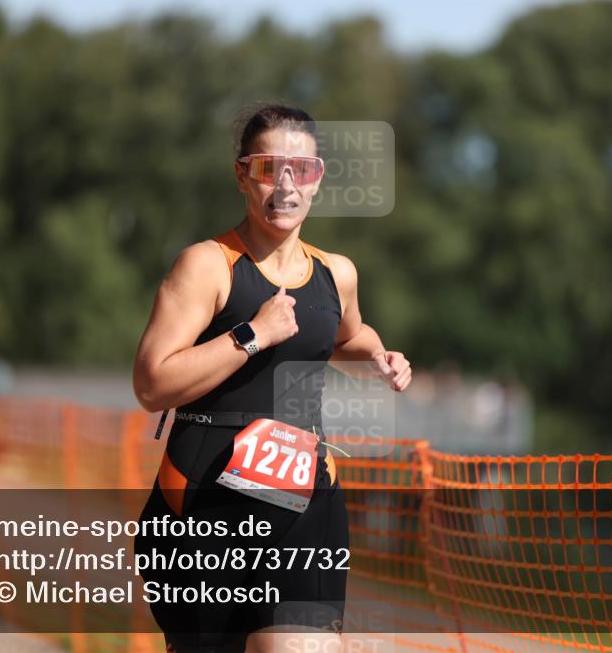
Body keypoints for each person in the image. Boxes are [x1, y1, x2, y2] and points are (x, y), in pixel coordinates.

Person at [132, 103, 412, 653]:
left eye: (300, 171)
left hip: (305, 503)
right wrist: (251, 335)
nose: (285, 187)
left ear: (318, 180)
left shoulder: (337, 273)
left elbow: (347, 338)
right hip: (204, 502)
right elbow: (151, 384)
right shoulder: (208, 265)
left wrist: (379, 357)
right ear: (242, 175)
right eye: (268, 169)